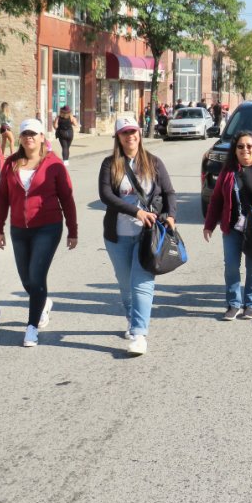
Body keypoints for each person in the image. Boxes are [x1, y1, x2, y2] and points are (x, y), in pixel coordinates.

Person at [0, 118, 77, 348]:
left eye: (33, 134)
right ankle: (43, 302)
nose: (29, 137)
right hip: (19, 228)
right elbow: (2, 198)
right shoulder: (11, 164)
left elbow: (67, 198)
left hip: (48, 227)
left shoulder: (54, 165)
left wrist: (73, 229)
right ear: (20, 138)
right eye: (25, 134)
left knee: (37, 275)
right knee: (27, 278)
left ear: (42, 137)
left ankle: (31, 328)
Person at [98, 117, 176, 356]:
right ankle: (132, 320)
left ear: (139, 134)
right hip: (117, 234)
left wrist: (171, 215)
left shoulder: (153, 162)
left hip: (147, 235)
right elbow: (105, 195)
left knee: (141, 283)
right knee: (125, 285)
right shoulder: (110, 164)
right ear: (118, 137)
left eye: (133, 131)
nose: (129, 136)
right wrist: (136, 211)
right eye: (124, 133)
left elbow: (170, 192)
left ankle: (140, 333)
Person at [203, 130, 252, 321]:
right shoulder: (228, 170)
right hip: (232, 227)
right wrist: (209, 225)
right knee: (231, 267)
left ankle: (250, 304)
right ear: (235, 149)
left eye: (249, 146)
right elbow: (216, 200)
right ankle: (233, 304)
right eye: (240, 146)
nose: (245, 150)